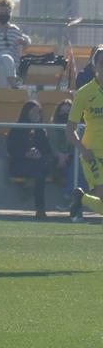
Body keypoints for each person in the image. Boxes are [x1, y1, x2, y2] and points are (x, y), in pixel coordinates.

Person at [68, 45, 103, 221]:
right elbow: (70, 129)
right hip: (93, 153)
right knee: (101, 194)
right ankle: (82, 198)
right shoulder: (84, 93)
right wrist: (83, 150)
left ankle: (81, 198)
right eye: (102, 64)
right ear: (94, 67)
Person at [7, 100, 53, 219]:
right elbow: (11, 149)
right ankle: (40, 209)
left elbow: (47, 150)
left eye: (38, 112)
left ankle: (32, 192)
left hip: (37, 164)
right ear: (26, 112)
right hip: (20, 164)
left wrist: (39, 154)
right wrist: (25, 154)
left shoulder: (41, 130)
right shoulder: (17, 128)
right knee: (40, 171)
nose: (36, 114)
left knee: (41, 167)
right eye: (33, 111)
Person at [48, 99, 86, 210]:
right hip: (55, 161)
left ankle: (69, 198)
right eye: (62, 113)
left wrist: (67, 155)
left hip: (72, 159)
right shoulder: (52, 127)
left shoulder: (80, 127)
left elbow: (77, 145)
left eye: (68, 113)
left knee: (79, 164)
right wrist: (59, 156)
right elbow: (52, 146)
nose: (64, 116)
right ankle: (71, 200)